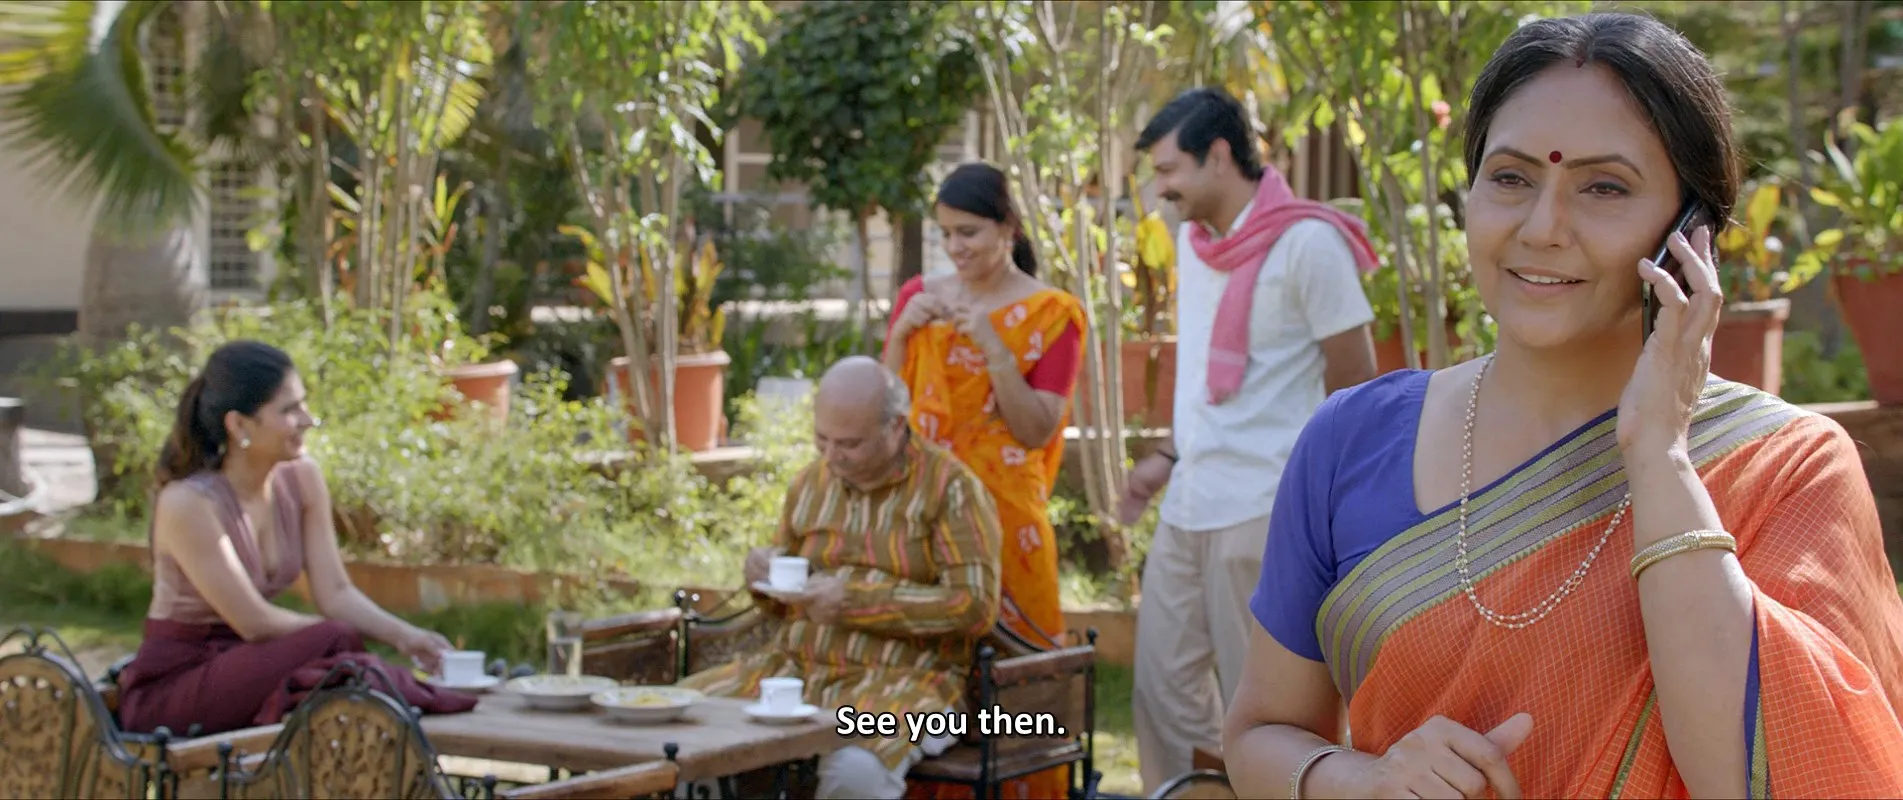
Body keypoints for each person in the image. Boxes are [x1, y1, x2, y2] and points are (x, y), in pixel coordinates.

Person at [1224, 12, 1903, 800]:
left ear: (1691, 233)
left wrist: (1659, 454)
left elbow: (1761, 776)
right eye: (1510, 178)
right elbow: (1258, 734)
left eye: (1602, 187)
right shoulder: (1350, 440)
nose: (1541, 228)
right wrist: (1362, 782)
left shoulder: (1788, 469)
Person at [1119, 87, 1381, 792]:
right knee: (1162, 691)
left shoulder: (1308, 244)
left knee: (1267, 710)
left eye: (1168, 169)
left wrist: (1327, 506)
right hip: (1188, 500)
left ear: (1217, 155)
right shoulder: (1195, 243)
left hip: (1266, 508)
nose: (1160, 187)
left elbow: (1356, 381)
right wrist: (1166, 456)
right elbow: (1203, 373)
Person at [678, 357, 1002, 800]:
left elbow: (974, 606)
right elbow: (782, 596)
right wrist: (761, 577)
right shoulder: (809, 484)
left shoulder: (951, 489)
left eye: (849, 443)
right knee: (681, 724)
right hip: (794, 671)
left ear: (896, 427)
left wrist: (856, 601)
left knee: (855, 771)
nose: (831, 456)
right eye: (822, 439)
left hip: (906, 682)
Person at [116, 340, 476, 737]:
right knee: (341, 647)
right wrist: (331, 636)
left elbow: (335, 592)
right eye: (289, 410)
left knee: (345, 658)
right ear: (239, 426)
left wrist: (407, 637)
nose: (307, 419)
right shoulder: (190, 503)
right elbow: (253, 622)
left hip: (250, 664)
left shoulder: (301, 479)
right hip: (178, 686)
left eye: (303, 405)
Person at [883, 162, 1086, 800]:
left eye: (968, 232)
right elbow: (883, 405)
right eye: (946, 234)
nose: (955, 248)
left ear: (1009, 228)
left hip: (1008, 528)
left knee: (1017, 690)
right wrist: (903, 332)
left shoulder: (1052, 314)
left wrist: (996, 348)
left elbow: (1036, 429)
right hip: (922, 520)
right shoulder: (920, 296)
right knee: (919, 683)